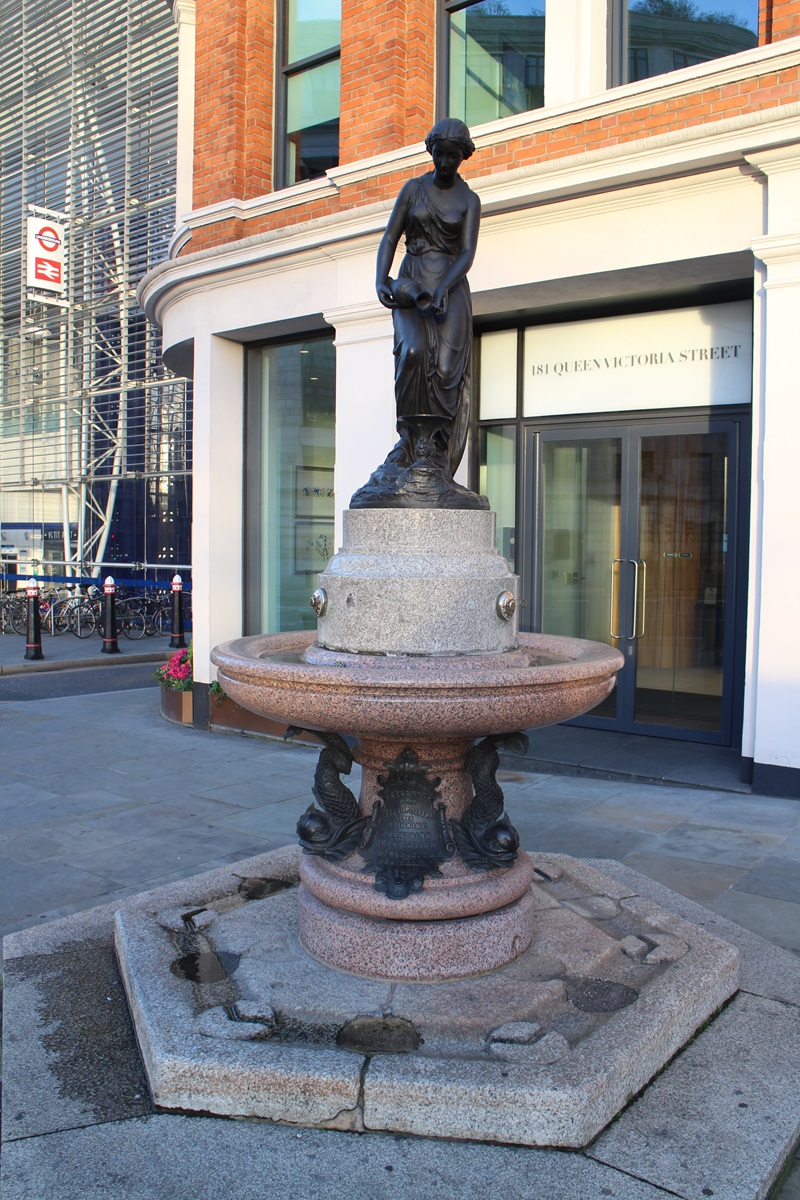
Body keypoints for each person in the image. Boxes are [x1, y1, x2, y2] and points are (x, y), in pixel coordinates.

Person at [351, 119, 486, 509]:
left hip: (450, 286)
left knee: (446, 368)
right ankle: (410, 443)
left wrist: (444, 287)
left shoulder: (469, 200)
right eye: (440, 153)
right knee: (412, 352)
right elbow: (391, 236)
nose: (445, 161)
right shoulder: (413, 189)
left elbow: (466, 253)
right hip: (411, 286)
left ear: (464, 156)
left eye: (454, 155)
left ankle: (434, 453)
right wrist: (382, 280)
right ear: (431, 152)